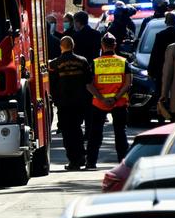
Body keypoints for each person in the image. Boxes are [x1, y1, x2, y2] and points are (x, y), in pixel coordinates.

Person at [86, 33, 131, 168]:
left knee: (95, 133)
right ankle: (123, 163)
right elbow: (128, 83)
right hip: (119, 102)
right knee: (120, 133)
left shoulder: (95, 63)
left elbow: (88, 85)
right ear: (115, 45)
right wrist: (116, 98)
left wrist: (102, 99)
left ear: (102, 46)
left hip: (99, 103)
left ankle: (91, 162)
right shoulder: (123, 62)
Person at [48, 36, 91, 171]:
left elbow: (52, 84)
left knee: (67, 133)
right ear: (73, 45)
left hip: (64, 103)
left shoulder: (55, 64)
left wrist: (54, 99)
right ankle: (81, 157)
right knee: (77, 130)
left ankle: (73, 160)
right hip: (79, 102)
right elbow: (88, 81)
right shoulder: (82, 61)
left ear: (61, 47)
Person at [70, 11, 101, 140]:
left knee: (78, 104)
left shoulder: (76, 37)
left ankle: (79, 131)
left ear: (78, 22)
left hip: (79, 74)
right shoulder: (96, 34)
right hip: (93, 71)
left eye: (74, 22)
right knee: (90, 105)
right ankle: (89, 131)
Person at [147, 12, 175, 97]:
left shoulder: (160, 35)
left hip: (161, 69)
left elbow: (155, 53)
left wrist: (151, 70)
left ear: (166, 22)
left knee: (161, 92)